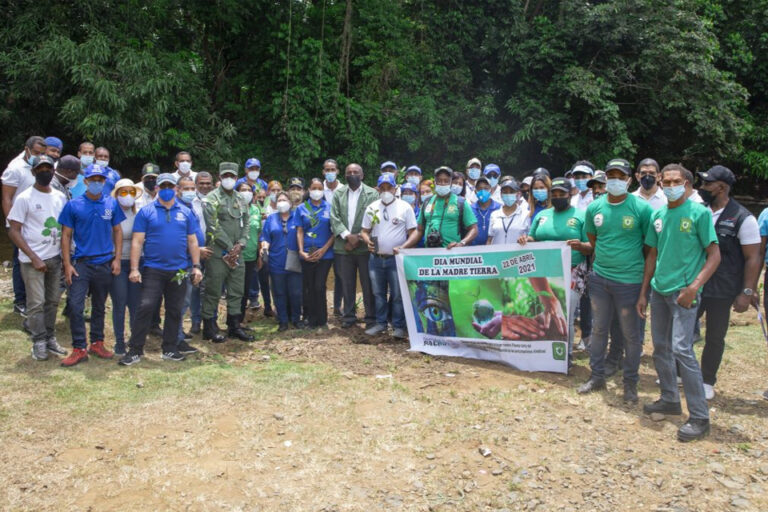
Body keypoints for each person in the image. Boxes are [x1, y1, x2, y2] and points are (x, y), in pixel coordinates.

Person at [637, 163, 720, 441]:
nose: (672, 186)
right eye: (667, 181)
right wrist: (644, 292)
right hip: (659, 291)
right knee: (660, 348)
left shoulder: (699, 213)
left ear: (687, 184)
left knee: (682, 350)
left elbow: (714, 255)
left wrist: (694, 287)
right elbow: (652, 255)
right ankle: (670, 398)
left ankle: (699, 416)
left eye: (677, 181)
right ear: (661, 183)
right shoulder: (658, 215)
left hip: (684, 293)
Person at [578, 158, 652, 403]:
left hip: (630, 282)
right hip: (600, 279)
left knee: (631, 335)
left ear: (630, 180)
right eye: (611, 176)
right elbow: (594, 239)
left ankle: (630, 383)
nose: (615, 181)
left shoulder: (641, 208)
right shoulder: (594, 208)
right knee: (599, 330)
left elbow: (649, 248)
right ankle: (596, 376)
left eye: (621, 177)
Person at [117, 173, 203, 365]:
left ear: (176, 189)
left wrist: (196, 266)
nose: (166, 190)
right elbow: (137, 242)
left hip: (179, 270)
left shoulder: (185, 212)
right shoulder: (146, 212)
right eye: (162, 186)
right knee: (146, 307)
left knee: (175, 309)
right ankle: (135, 350)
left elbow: (192, 241)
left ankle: (170, 348)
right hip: (153, 268)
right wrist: (134, 268)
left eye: (170, 186)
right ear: (156, 188)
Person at [696, 165, 761, 400]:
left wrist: (747, 291)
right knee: (683, 329)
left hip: (722, 287)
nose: (702, 188)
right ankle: (679, 373)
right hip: (695, 284)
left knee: (714, 335)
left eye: (707, 184)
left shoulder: (743, 218)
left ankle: (707, 380)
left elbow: (753, 257)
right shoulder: (700, 210)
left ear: (721, 188)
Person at [58, 163, 125, 367]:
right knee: (76, 306)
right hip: (81, 263)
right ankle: (79, 347)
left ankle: (97, 342)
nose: (97, 182)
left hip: (104, 262)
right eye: (93, 179)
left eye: (100, 179)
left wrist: (117, 259)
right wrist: (67, 264)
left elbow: (118, 231)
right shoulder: (74, 205)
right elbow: (66, 235)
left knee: (99, 306)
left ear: (104, 182)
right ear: (85, 181)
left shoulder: (111, 203)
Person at [521, 177, 592, 359]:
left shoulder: (581, 215)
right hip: (545, 271)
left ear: (570, 194)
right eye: (555, 194)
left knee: (567, 313)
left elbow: (591, 246)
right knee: (547, 311)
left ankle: (565, 356)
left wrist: (580, 246)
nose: (558, 197)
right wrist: (525, 240)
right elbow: (533, 238)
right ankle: (545, 353)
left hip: (573, 270)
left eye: (562, 194)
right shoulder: (542, 215)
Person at [7, 155, 68, 360]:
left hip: (54, 258)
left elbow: (65, 228)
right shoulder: (24, 198)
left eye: (48, 168)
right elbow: (14, 230)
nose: (45, 172)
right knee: (36, 303)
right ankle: (38, 341)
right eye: (40, 169)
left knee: (52, 301)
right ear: (33, 172)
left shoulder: (59, 197)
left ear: (53, 171)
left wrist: (65, 257)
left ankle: (50, 337)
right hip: (32, 261)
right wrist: (33, 257)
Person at [201, 162, 253, 343]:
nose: (229, 179)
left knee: (236, 290)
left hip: (237, 254)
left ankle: (234, 326)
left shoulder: (241, 198)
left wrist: (241, 243)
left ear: (237, 178)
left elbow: (247, 222)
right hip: (218, 253)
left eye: (232, 176)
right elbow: (213, 226)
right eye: (225, 176)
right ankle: (209, 327)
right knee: (213, 290)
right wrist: (230, 246)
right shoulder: (212, 198)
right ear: (220, 177)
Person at [360, 174, 417, 339]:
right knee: (378, 293)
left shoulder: (405, 207)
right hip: (376, 258)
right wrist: (367, 241)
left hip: (395, 259)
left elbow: (413, 232)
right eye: (382, 188)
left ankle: (398, 326)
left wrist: (404, 247)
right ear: (378, 189)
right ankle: (381, 323)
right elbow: (364, 231)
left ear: (395, 189)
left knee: (397, 294)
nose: (386, 191)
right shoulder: (372, 207)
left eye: (389, 188)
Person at [330, 163, 379, 329]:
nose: (352, 174)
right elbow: (334, 217)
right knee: (347, 283)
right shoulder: (338, 194)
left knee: (368, 284)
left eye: (355, 172)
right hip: (344, 247)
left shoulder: (372, 194)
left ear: (362, 175)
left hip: (365, 247)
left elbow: (375, 219)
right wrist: (347, 236)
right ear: (344, 175)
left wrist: (357, 238)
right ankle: (349, 316)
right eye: (349, 172)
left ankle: (370, 317)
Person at [2, 135, 47, 316]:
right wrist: (12, 225)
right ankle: (20, 301)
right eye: (36, 152)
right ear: (26, 149)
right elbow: (6, 198)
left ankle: (34, 298)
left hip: (36, 222)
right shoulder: (15, 168)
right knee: (20, 259)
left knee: (36, 258)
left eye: (42, 153)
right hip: (19, 223)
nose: (39, 156)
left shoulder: (42, 165)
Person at [401, 166, 478, 250]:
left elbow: (474, 229)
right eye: (439, 180)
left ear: (451, 183)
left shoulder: (460, 202)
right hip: (430, 252)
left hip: (452, 252)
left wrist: (462, 243)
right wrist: (403, 247)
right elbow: (419, 230)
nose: (442, 183)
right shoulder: (427, 202)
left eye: (446, 181)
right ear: (435, 182)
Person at [109, 179, 144, 356]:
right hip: (118, 262)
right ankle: (119, 342)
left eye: (131, 192)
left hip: (136, 262)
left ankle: (135, 341)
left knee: (135, 303)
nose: (128, 196)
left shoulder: (138, 214)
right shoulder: (111, 213)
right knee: (119, 302)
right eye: (123, 192)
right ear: (117, 195)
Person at [175, 175, 208, 353]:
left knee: (185, 300)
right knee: (180, 301)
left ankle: (178, 333)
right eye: (185, 189)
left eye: (191, 188)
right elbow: (178, 238)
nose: (189, 192)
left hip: (192, 260)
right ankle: (176, 339)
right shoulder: (177, 208)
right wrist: (197, 250)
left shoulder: (189, 207)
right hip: (182, 262)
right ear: (178, 190)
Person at [296, 179, 335, 329]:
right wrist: (301, 251)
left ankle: (322, 319)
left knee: (319, 285)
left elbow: (334, 232)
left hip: (325, 254)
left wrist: (324, 249)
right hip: (307, 253)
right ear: (309, 190)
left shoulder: (329, 207)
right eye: (314, 188)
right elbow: (300, 231)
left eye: (320, 188)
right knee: (309, 287)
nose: (317, 191)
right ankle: (311, 319)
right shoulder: (302, 208)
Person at [261, 191, 302, 331]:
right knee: (279, 292)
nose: (282, 203)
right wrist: (264, 248)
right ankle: (283, 320)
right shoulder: (271, 219)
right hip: (276, 260)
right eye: (279, 200)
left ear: (290, 203)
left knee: (295, 292)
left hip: (294, 260)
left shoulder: (297, 217)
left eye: (284, 200)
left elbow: (303, 234)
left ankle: (296, 319)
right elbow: (265, 237)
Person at [189, 171, 214, 333]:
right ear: (196, 184)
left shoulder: (216, 200)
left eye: (208, 183)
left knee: (212, 287)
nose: (205, 186)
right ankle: (196, 321)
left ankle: (210, 320)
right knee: (195, 286)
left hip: (213, 249)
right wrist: (197, 249)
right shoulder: (190, 202)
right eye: (201, 183)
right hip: (195, 249)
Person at [240, 181, 263, 319]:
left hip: (251, 256)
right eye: (243, 190)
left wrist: (259, 255)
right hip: (236, 256)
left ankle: (240, 320)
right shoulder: (233, 209)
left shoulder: (256, 210)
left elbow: (259, 233)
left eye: (249, 190)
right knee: (236, 290)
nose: (246, 193)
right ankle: (234, 321)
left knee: (245, 289)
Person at [487, 178, 529, 245]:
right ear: (501, 194)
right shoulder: (494, 215)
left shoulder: (525, 215)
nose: (508, 194)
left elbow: (529, 238)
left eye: (511, 192)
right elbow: (490, 239)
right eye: (505, 192)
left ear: (518, 194)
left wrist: (524, 239)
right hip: (497, 251)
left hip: (518, 251)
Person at [470, 175, 500, 246]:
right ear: (475, 191)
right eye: (479, 188)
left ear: (491, 190)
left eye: (486, 188)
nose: (483, 191)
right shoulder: (470, 209)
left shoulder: (499, 208)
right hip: (473, 249)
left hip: (494, 248)